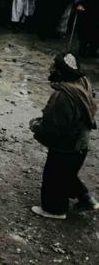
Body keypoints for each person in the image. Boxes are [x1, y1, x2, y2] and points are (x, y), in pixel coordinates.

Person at [30, 53, 98, 219]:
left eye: (54, 67)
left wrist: (36, 126)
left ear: (61, 71)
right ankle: (86, 198)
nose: (50, 69)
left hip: (68, 144)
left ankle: (55, 209)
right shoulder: (83, 83)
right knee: (66, 173)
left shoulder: (63, 96)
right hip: (81, 142)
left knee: (54, 175)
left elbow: (54, 127)